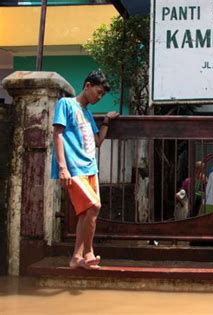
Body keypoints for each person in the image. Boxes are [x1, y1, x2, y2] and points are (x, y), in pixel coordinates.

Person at [51, 70, 119, 270]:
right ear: (87, 86)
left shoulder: (88, 114)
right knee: (94, 207)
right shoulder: (66, 104)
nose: (99, 98)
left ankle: (76, 258)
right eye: (98, 93)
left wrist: (106, 120)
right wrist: (62, 167)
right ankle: (89, 254)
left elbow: (97, 142)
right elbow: (57, 134)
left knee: (86, 213)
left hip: (91, 168)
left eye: (102, 95)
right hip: (74, 168)